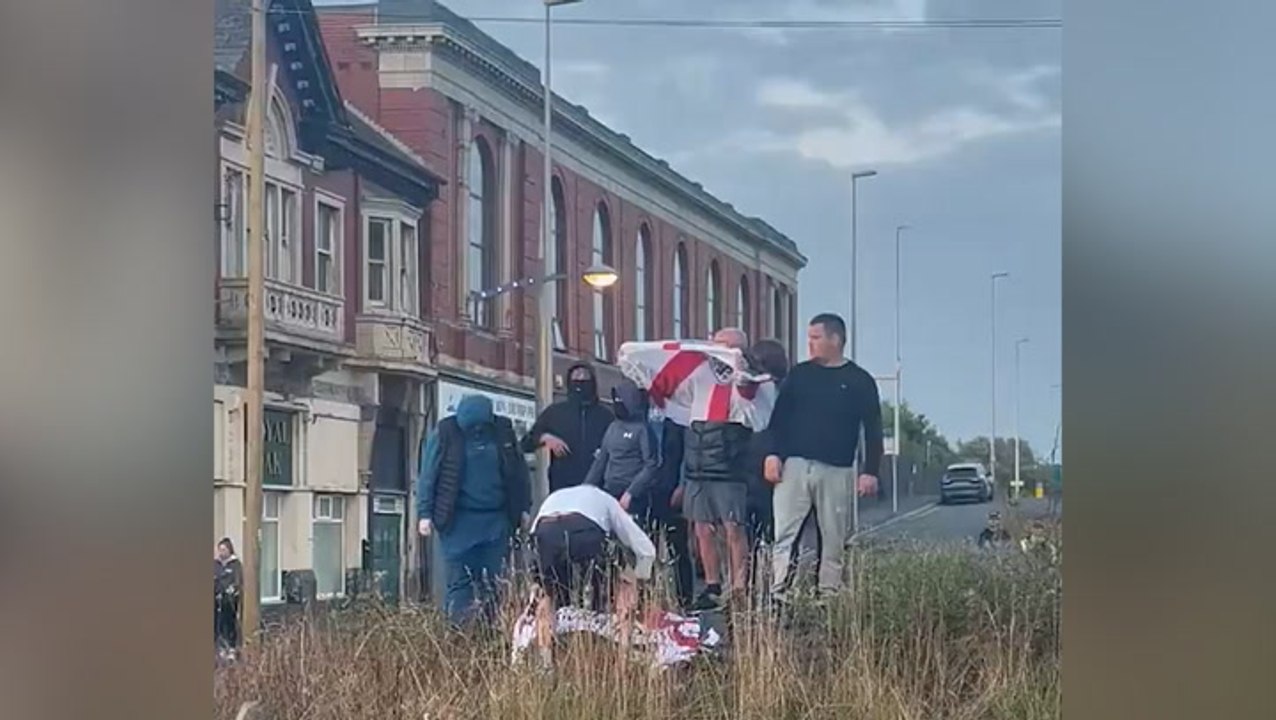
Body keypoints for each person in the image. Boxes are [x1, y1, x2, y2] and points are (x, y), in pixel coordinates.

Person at [764, 313, 883, 604]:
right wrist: (772, 455)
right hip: (795, 465)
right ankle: (780, 591)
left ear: (835, 339)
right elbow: (779, 419)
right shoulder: (799, 375)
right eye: (809, 338)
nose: (810, 344)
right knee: (786, 532)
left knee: (832, 535)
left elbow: (873, 429)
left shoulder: (859, 381)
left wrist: (870, 471)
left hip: (837, 469)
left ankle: (827, 594)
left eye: (816, 338)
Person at [417, 394, 531, 626]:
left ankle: (490, 636)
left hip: (496, 523)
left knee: (495, 585)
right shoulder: (445, 433)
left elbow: (519, 472)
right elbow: (428, 475)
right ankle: (459, 639)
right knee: (460, 586)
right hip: (457, 523)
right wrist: (424, 513)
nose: (477, 432)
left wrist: (523, 508)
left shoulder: (503, 431)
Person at [679, 328, 760, 612]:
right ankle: (712, 585)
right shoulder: (700, 372)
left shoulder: (747, 375)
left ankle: (738, 587)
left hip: (728, 463)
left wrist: (740, 369)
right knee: (701, 527)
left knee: (732, 527)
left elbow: (751, 406)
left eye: (723, 345)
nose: (716, 349)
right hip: (698, 460)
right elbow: (680, 393)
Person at [530, 483, 658, 613]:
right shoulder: (605, 498)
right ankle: (604, 619)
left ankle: (548, 627)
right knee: (600, 594)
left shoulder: (554, 496)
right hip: (585, 532)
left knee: (551, 596)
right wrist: (640, 583)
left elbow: (534, 536)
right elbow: (646, 549)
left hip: (546, 531)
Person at [522, 362, 614, 492]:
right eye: (576, 376)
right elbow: (526, 443)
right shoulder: (555, 413)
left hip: (597, 489)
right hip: (562, 488)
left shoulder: (605, 416)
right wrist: (545, 438)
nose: (580, 380)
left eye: (585, 377)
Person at [585, 379, 661, 512]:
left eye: (621, 400)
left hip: (633, 495)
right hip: (610, 491)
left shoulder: (643, 430)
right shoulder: (613, 427)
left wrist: (632, 492)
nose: (618, 403)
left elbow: (651, 465)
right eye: (616, 400)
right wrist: (585, 488)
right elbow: (601, 461)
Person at [214, 538, 243, 658]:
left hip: (229, 600)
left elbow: (237, 580)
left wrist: (232, 589)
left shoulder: (235, 564)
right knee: (217, 623)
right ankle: (221, 646)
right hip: (216, 598)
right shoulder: (215, 564)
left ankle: (231, 647)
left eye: (224, 549)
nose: (221, 552)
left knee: (229, 622)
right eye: (219, 549)